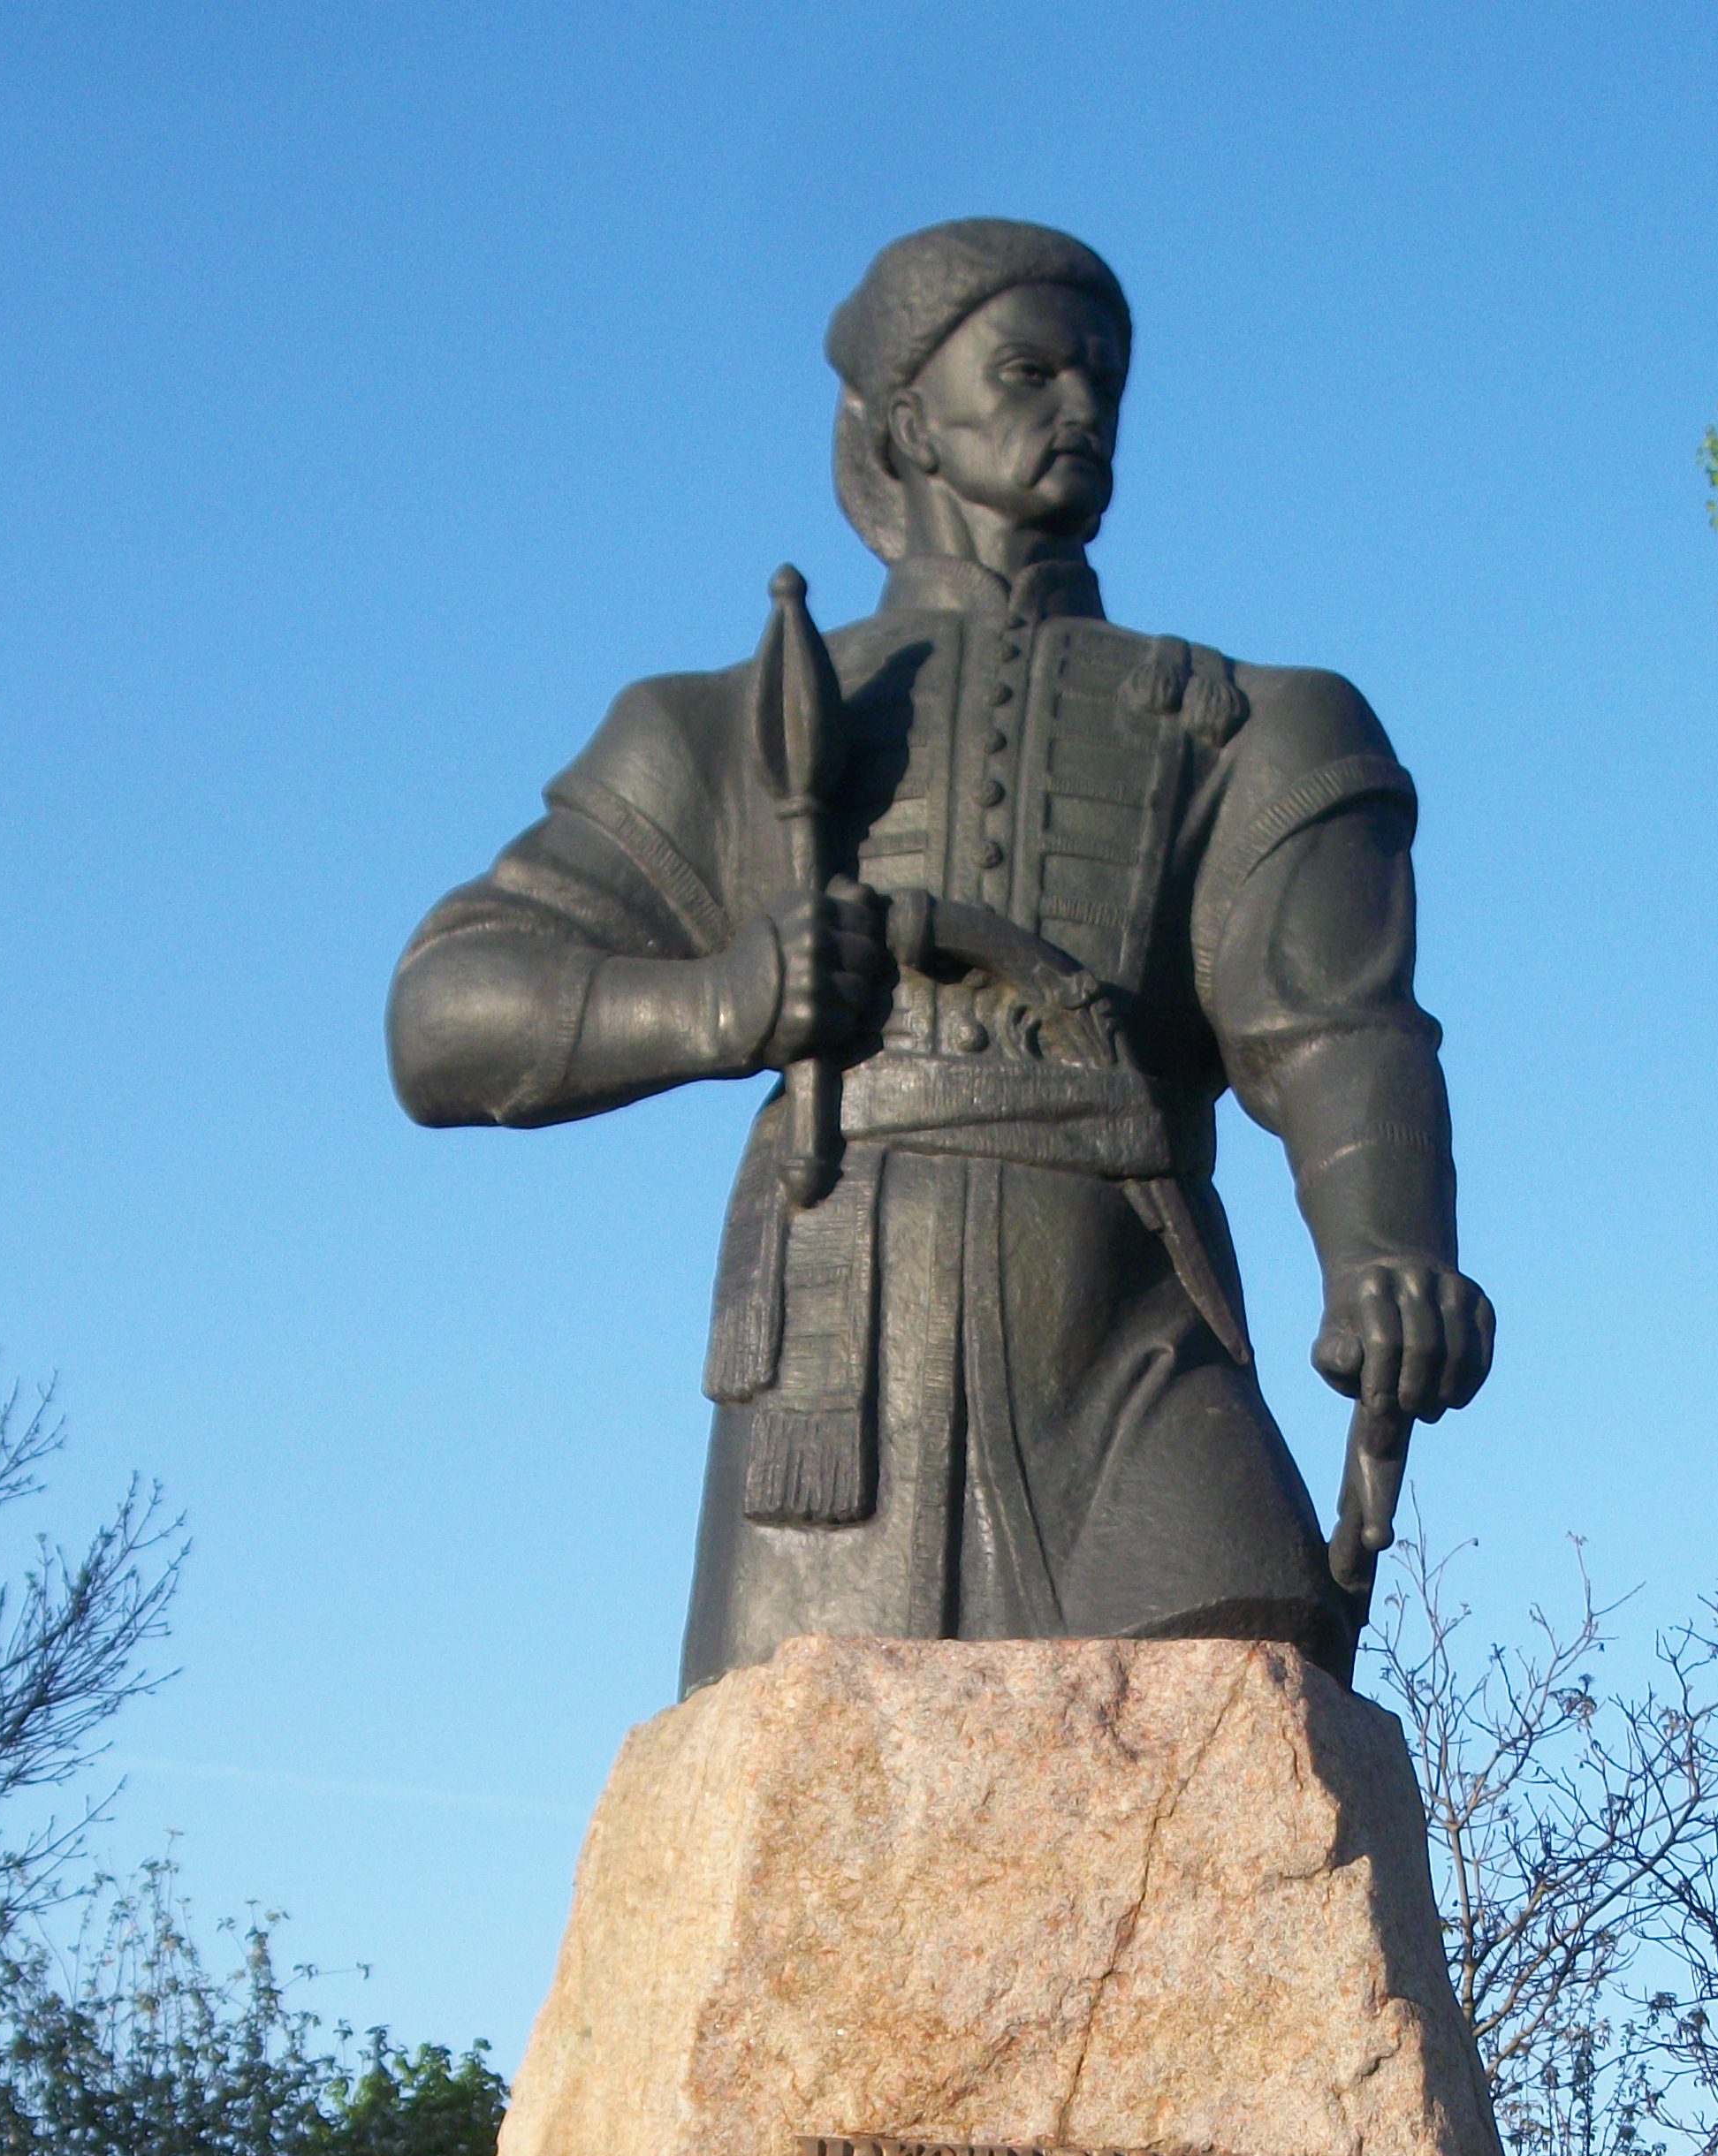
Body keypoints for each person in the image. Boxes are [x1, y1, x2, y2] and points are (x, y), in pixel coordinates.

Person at [388, 217, 1493, 1693]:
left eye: (1104, 379)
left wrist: (1387, 1254)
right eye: (1030, 372)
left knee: (1243, 1671)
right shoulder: (723, 725)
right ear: (907, 421)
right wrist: (722, 1003)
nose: (1082, 406)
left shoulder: (1253, 725)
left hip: (1126, 1323)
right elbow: (444, 1017)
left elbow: (1336, 1031)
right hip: (842, 1349)